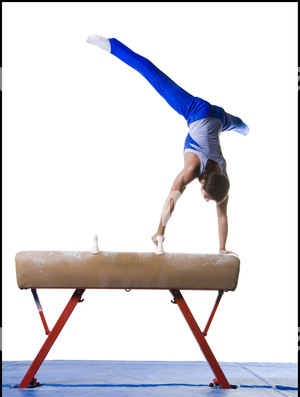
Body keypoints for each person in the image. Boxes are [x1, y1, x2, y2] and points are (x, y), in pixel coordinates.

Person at [87, 35, 249, 254]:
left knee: (241, 125)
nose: (206, 199)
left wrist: (222, 249)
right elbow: (172, 199)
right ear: (201, 181)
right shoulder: (192, 168)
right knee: (155, 77)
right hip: (196, 110)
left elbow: (222, 216)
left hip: (219, 118)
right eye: (206, 196)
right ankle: (112, 45)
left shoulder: (222, 181)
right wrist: (159, 230)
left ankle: (246, 129)